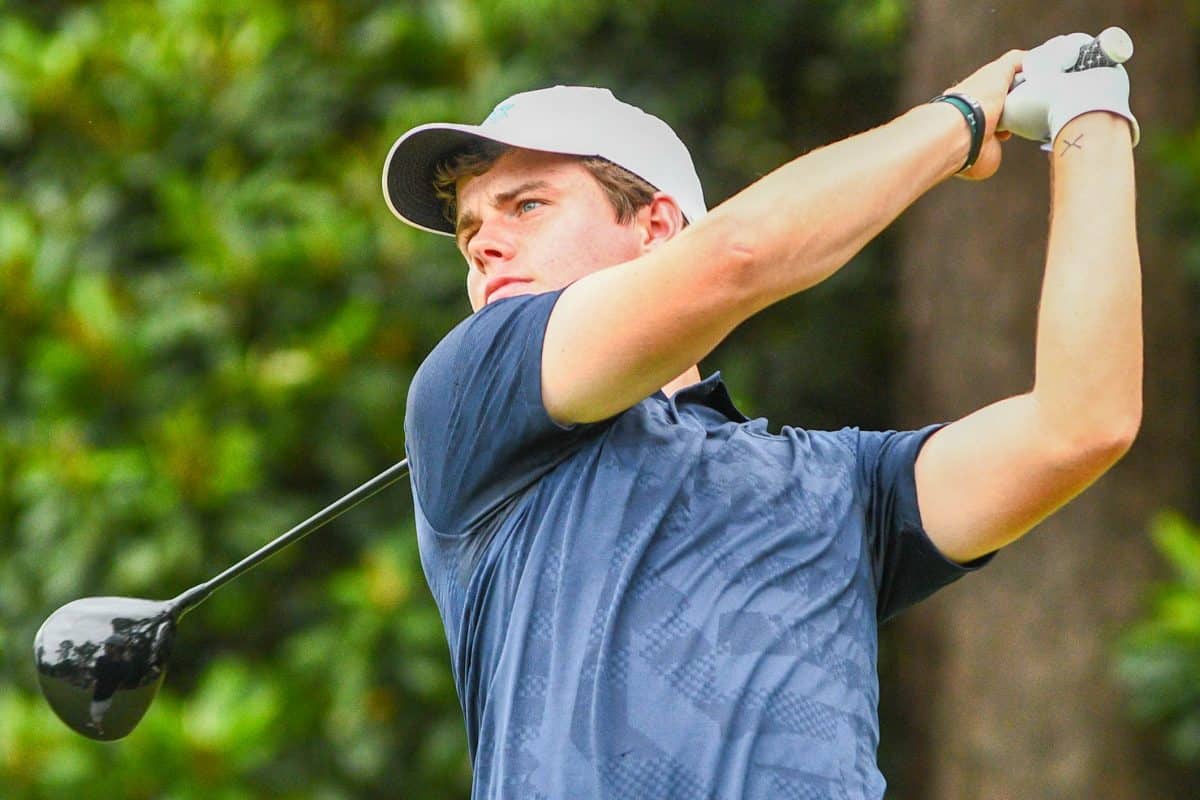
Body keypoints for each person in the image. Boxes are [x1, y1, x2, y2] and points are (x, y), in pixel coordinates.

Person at [381, 33, 1141, 799]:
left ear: (655, 227)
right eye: (470, 230)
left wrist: (1092, 117)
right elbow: (738, 256)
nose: (484, 246)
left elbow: (1081, 423)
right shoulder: (469, 392)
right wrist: (961, 120)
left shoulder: (844, 486)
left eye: (527, 205)